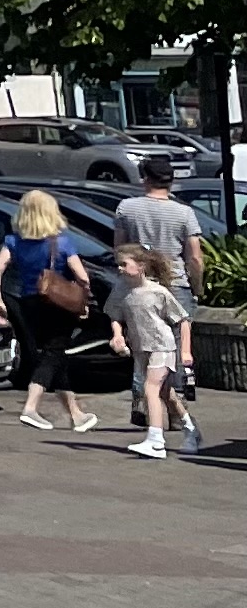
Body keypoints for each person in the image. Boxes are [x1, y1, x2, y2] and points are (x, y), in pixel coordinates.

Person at [111, 160, 208, 449]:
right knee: (171, 347)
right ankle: (175, 411)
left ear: (145, 179)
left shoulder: (126, 208)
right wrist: (198, 285)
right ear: (171, 181)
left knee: (142, 342)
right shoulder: (184, 212)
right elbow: (194, 256)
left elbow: (119, 249)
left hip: (139, 284)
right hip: (175, 283)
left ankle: (143, 403)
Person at [0, 188, 97, 434]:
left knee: (54, 356)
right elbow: (82, 277)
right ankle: (30, 407)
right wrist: (84, 299)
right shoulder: (62, 242)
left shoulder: (14, 241)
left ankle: (76, 414)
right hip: (58, 305)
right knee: (53, 353)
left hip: (30, 303)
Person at [114, 243, 188, 461]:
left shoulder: (158, 292)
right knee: (166, 394)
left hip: (162, 346)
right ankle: (191, 430)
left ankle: (156, 441)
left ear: (141, 266)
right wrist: (117, 335)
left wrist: (185, 351)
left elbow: (183, 320)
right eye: (118, 264)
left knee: (150, 388)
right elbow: (115, 316)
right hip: (141, 348)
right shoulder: (122, 292)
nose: (119, 269)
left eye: (124, 264)